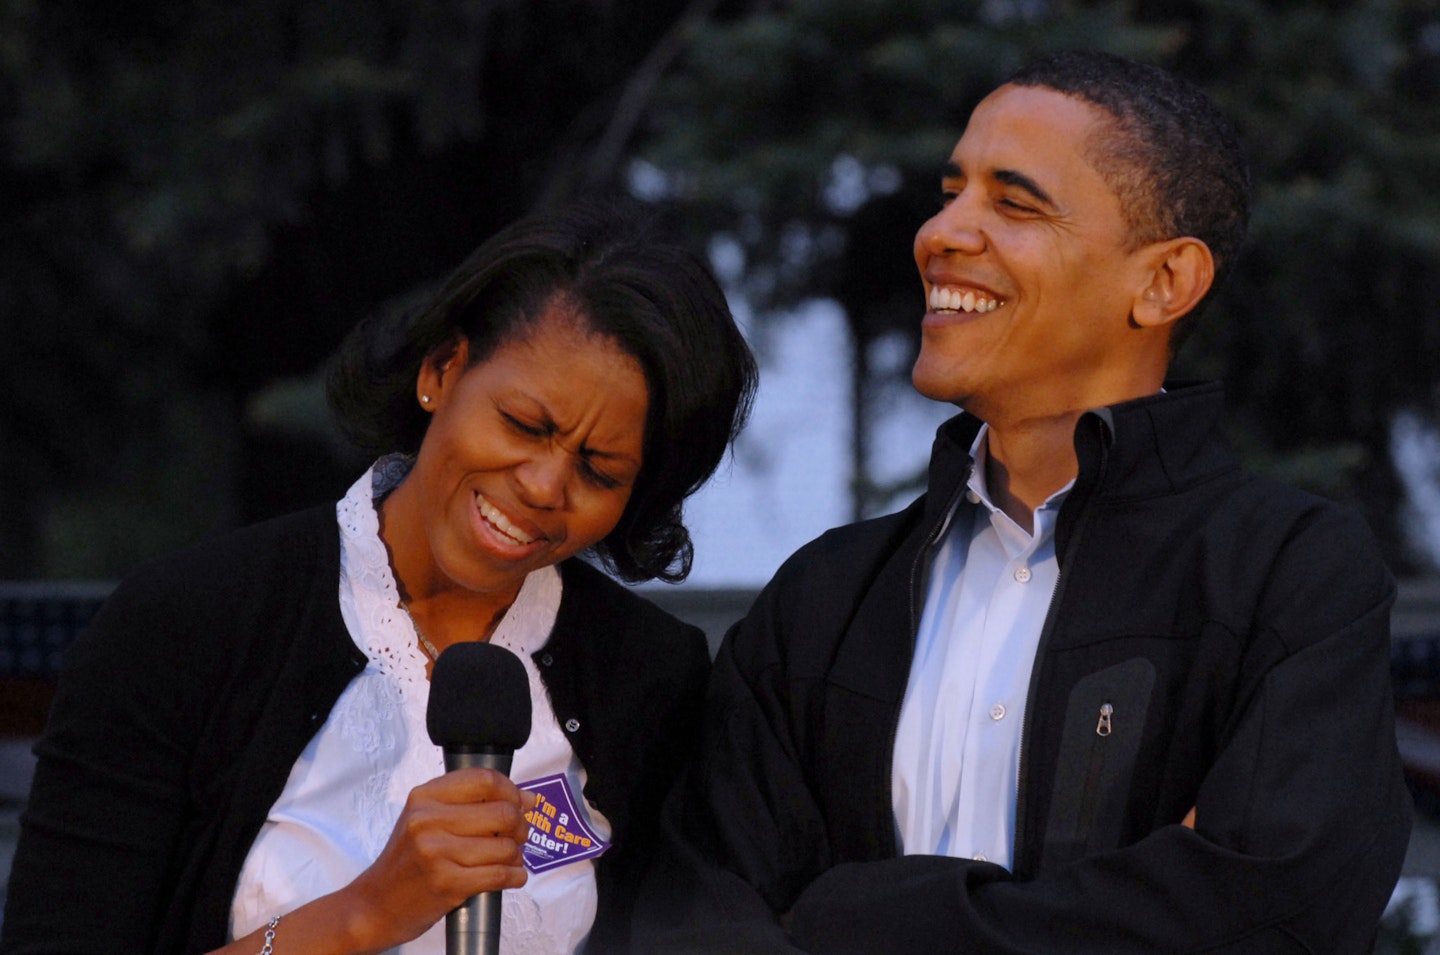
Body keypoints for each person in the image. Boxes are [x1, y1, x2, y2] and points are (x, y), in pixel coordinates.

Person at [634, 50, 1411, 953]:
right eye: (952, 189)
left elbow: (1276, 911)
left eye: (1014, 202)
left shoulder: (1291, 575)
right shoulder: (821, 601)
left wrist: (856, 914)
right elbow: (696, 915)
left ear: (1163, 282)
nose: (940, 232)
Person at [1, 200, 757, 955]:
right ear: (440, 370)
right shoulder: (186, 625)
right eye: (526, 425)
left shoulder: (650, 678)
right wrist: (364, 913)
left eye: (598, 470)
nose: (544, 485)